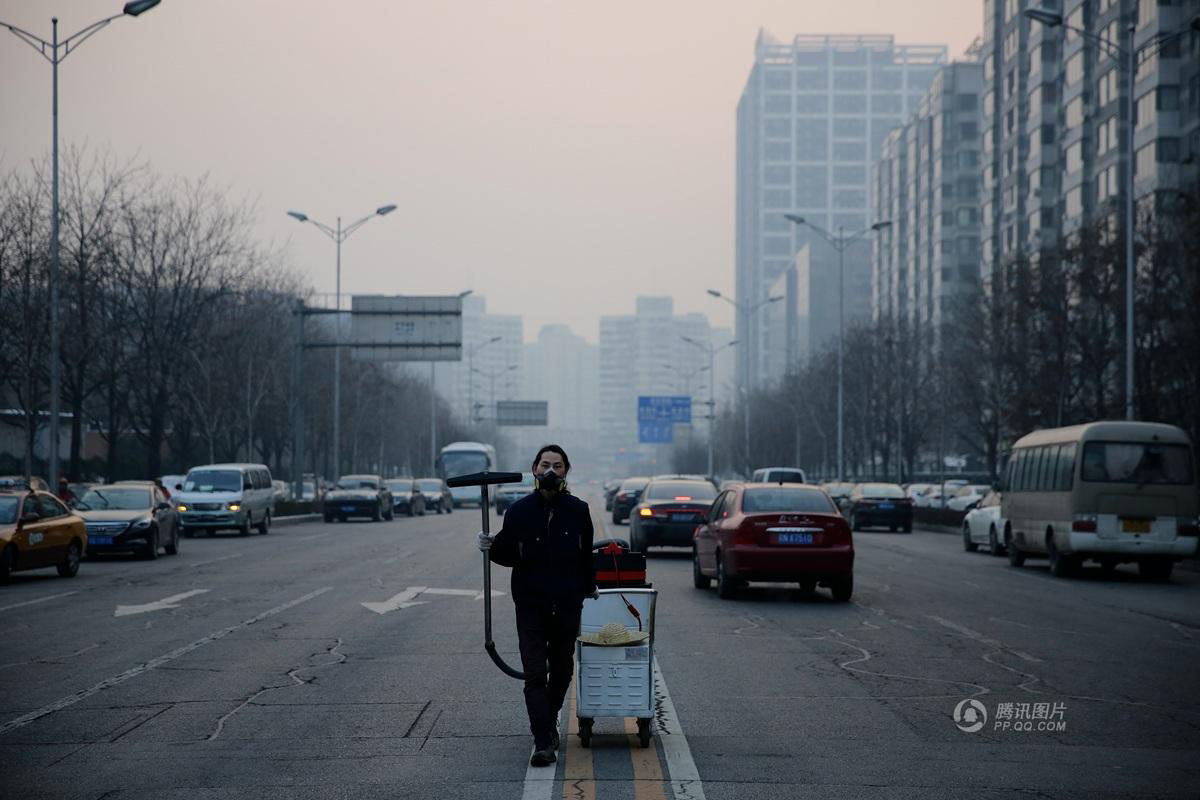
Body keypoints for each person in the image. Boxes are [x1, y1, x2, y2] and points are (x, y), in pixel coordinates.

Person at [478, 444, 596, 767]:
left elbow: (586, 555)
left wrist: (589, 587)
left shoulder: (579, 510)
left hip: (567, 603)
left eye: (557, 466)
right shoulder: (518, 512)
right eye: (545, 464)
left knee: (561, 670)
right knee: (534, 673)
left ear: (565, 472)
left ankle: (550, 716)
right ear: (534, 469)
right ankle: (543, 738)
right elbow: (506, 553)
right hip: (530, 604)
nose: (550, 471)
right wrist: (489, 545)